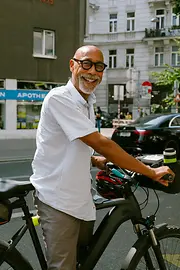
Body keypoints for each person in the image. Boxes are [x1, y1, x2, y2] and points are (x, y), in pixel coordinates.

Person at [30, 45, 174, 270]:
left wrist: (95, 160)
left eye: (99, 67)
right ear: (72, 65)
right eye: (86, 63)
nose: (93, 72)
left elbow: (70, 144)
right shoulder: (60, 98)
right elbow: (99, 142)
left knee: (82, 262)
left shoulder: (87, 102)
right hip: (57, 199)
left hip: (81, 199)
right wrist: (151, 172)